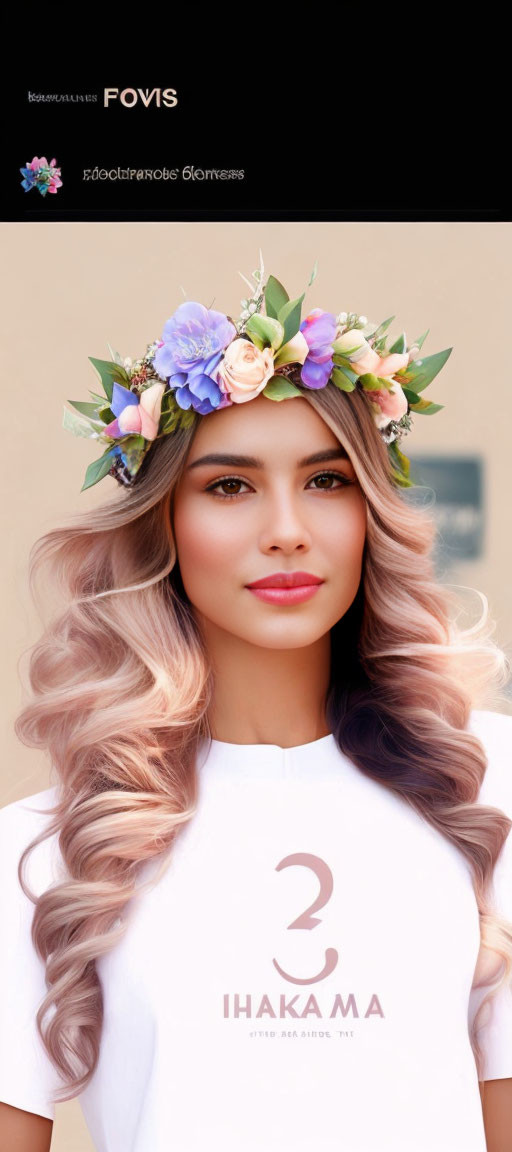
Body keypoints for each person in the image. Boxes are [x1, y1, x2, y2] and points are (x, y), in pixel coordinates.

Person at [1, 262, 511, 1152]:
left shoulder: (487, 792)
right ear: (164, 524)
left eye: (326, 481)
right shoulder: (49, 853)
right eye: (229, 486)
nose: (287, 527)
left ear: (369, 513)